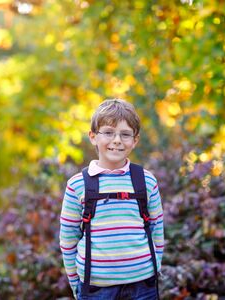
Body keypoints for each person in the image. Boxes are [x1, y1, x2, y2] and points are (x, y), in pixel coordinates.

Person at [59, 99, 164, 299]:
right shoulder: (78, 185)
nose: (117, 140)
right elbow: (68, 240)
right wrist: (75, 282)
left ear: (135, 140)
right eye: (108, 132)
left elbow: (157, 231)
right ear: (93, 137)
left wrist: (154, 268)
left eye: (125, 134)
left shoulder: (146, 181)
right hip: (97, 288)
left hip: (143, 285)